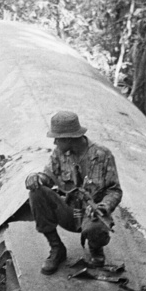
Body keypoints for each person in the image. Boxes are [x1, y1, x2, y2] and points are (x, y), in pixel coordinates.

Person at [25, 111, 122, 273]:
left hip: (92, 215)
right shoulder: (59, 154)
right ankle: (57, 249)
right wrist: (34, 178)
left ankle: (96, 249)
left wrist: (103, 207)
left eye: (57, 138)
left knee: (96, 228)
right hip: (68, 211)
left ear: (69, 138)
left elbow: (115, 191)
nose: (55, 142)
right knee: (36, 193)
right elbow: (47, 177)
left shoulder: (103, 155)